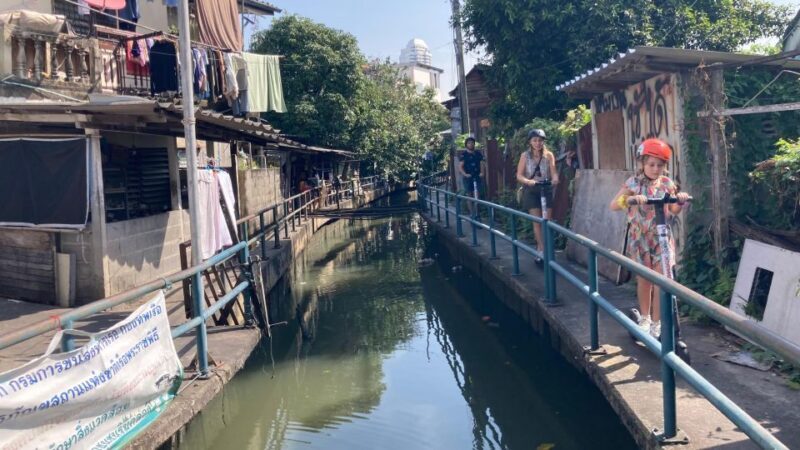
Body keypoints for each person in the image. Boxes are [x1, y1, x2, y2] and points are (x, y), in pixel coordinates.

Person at [609, 138, 690, 338]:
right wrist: (630, 199)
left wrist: (680, 201)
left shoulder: (667, 184)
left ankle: (657, 322)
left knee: (661, 281)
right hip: (640, 237)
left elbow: (672, 210)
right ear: (642, 163)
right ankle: (644, 318)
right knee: (644, 280)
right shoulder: (633, 183)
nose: (655, 169)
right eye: (651, 164)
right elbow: (614, 205)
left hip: (661, 237)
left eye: (660, 165)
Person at [516, 129, 559, 264]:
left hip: (545, 189)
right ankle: (541, 248)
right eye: (534, 140)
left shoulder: (549, 155)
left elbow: (554, 172)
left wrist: (555, 179)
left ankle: (548, 248)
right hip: (531, 190)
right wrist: (528, 181)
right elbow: (519, 175)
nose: (537, 143)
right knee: (537, 222)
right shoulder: (525, 155)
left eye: (540, 140)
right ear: (530, 142)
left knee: (547, 220)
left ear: (543, 142)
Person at [458, 136, 484, 215]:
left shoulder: (478, 154)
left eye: (472, 143)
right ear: (466, 145)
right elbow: (460, 166)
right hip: (468, 177)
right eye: (469, 143)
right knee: (469, 195)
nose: (471, 144)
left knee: (478, 195)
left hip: (477, 176)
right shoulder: (464, 155)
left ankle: (477, 213)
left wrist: (482, 172)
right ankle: (472, 213)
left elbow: (482, 164)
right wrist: (465, 174)